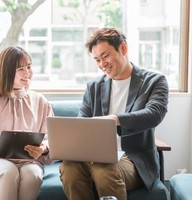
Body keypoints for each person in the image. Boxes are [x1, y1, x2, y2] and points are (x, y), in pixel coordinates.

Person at [59, 27, 169, 200]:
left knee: (104, 169)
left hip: (133, 158)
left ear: (123, 49)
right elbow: (82, 122)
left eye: (106, 56)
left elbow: (154, 114)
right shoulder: (93, 87)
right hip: (94, 155)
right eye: (97, 60)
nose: (102, 64)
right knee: (69, 167)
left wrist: (114, 120)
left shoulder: (154, 81)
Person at [0, 46, 54, 200]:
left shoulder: (41, 101)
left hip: (30, 161)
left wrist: (43, 148)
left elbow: (51, 137)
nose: (27, 72)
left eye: (29, 66)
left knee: (33, 175)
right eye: (20, 68)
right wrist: (5, 146)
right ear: (7, 72)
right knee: (8, 171)